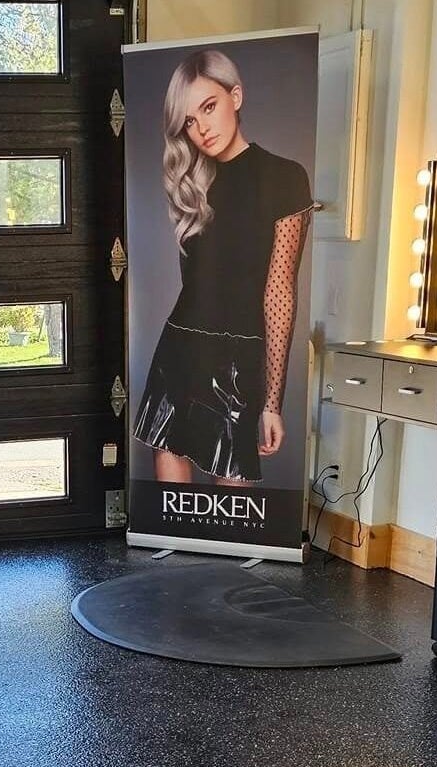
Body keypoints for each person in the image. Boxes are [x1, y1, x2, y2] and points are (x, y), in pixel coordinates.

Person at [134, 48, 312, 486]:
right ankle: (175, 545)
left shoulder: (285, 177)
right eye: (189, 121)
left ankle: (223, 554)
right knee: (168, 446)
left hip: (240, 351)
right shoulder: (191, 182)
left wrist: (272, 401)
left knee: (232, 470)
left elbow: (279, 292)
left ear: (236, 96)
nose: (201, 129)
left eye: (208, 108)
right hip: (181, 343)